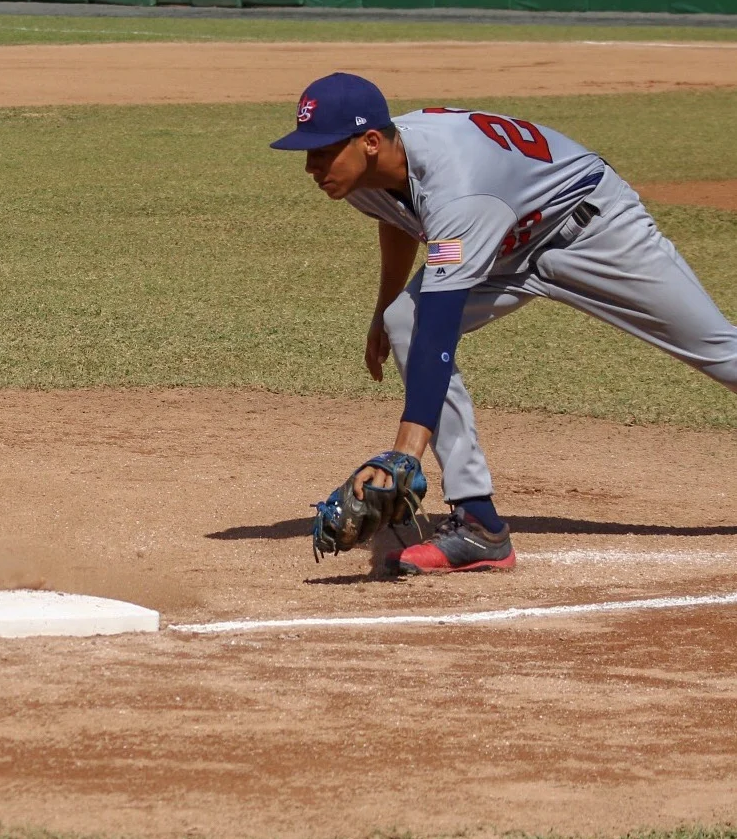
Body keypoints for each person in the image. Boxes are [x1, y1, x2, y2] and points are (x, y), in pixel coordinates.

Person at [271, 73, 737, 574]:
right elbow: (401, 217)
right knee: (404, 318)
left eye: (321, 151)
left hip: (590, 229)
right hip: (501, 244)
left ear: (368, 143)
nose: (310, 166)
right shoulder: (366, 171)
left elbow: (440, 324)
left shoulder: (456, 191)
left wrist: (406, 451)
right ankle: (479, 526)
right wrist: (383, 310)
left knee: (717, 351)